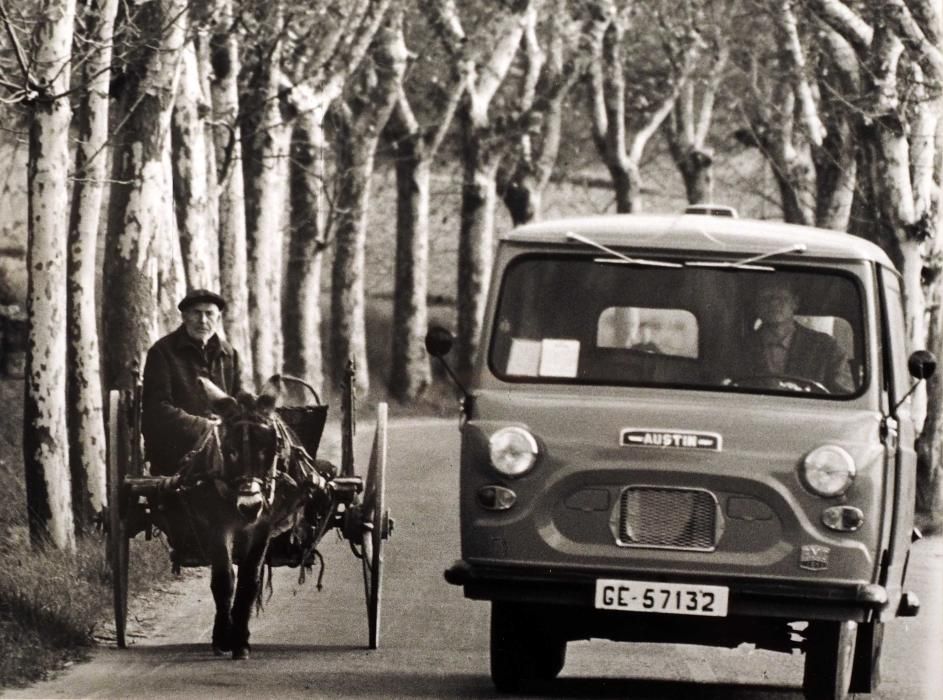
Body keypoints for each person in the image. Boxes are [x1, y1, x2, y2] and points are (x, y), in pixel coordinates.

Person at [142, 289, 243, 476]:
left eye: (209, 314)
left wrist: (227, 423)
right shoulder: (162, 352)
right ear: (184, 317)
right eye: (197, 313)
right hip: (179, 450)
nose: (203, 321)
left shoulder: (230, 355)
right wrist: (202, 426)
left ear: (218, 319)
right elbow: (156, 409)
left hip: (226, 451)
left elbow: (240, 402)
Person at [742, 279, 854, 393]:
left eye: (781, 298)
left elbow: (845, 397)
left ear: (795, 303)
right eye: (766, 298)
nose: (774, 303)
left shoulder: (827, 348)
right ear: (756, 305)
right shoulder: (738, 349)